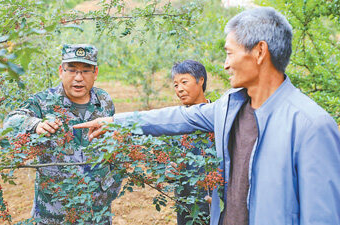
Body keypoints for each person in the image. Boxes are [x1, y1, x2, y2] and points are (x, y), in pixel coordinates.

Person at [73, 7, 340, 225]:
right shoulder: (228, 107)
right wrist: (114, 122)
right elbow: (174, 117)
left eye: (229, 53)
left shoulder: (311, 126)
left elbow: (323, 217)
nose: (225, 64)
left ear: (259, 52)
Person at [4, 44, 120, 224]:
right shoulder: (44, 102)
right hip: (54, 211)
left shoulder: (104, 101)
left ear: (95, 73)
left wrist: (113, 185)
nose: (78, 78)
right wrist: (35, 124)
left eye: (85, 71)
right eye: (72, 70)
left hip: (96, 210)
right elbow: (10, 121)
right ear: (61, 71)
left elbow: (113, 144)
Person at [169, 60, 213, 224]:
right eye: (175, 85)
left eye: (184, 82)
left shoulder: (218, 119)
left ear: (200, 80)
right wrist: (169, 172)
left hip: (215, 205)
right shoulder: (173, 125)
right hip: (187, 208)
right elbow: (170, 163)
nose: (179, 89)